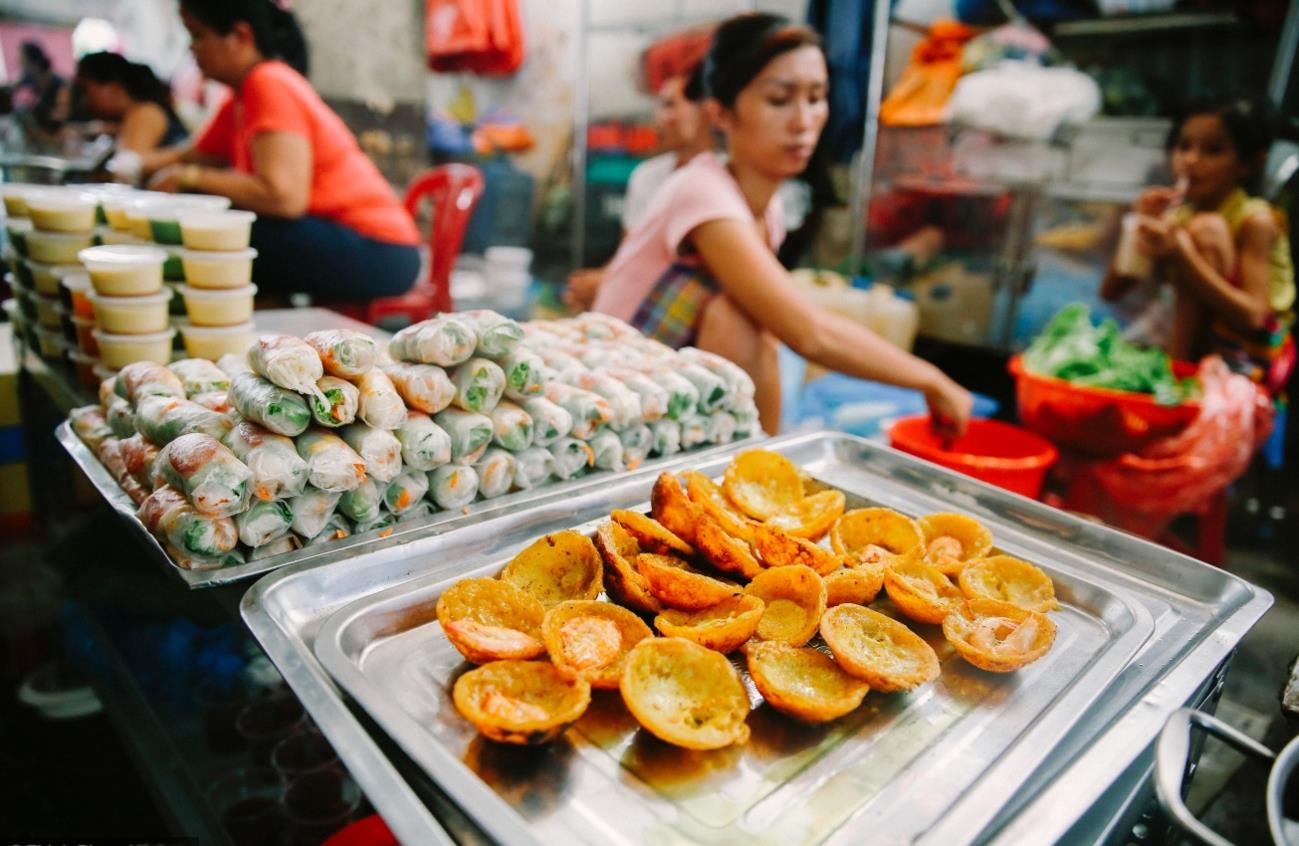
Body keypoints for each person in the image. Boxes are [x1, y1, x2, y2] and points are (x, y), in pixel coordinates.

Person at [592, 13, 972, 435]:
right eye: (779, 99)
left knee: (753, 320)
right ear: (720, 113)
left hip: (666, 401)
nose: (803, 121)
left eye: (816, 97)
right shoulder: (700, 191)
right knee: (741, 318)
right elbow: (808, 332)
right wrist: (929, 379)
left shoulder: (766, 210)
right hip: (612, 405)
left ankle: (760, 460)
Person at [142, 0, 421, 301]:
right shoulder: (239, 96)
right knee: (216, 227)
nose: (191, 50)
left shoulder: (269, 82)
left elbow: (284, 197)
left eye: (198, 36)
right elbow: (189, 156)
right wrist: (133, 163)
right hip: (345, 240)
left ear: (240, 36)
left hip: (381, 251)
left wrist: (191, 178)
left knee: (220, 235)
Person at [1102, 99, 1294, 391]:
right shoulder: (1179, 216)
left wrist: (1183, 254)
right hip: (1204, 347)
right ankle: (1175, 370)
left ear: (1248, 163)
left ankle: (1177, 375)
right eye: (1183, 147)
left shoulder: (1256, 221)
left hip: (1250, 355)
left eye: (1213, 150)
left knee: (1206, 229)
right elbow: (1112, 291)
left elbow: (1255, 317)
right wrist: (1138, 226)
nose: (1191, 160)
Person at [566, 66, 715, 311]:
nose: (658, 119)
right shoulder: (648, 176)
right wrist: (599, 280)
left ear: (707, 111)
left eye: (670, 105)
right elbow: (630, 253)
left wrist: (608, 282)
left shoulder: (718, 183)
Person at [76, 52, 190, 154]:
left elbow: (129, 168)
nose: (84, 101)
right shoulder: (137, 113)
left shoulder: (145, 114)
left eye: (85, 91)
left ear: (113, 88)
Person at [12, 42, 70, 138]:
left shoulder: (58, 83)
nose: (18, 61)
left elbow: (62, 114)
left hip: (57, 136)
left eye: (22, 57)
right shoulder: (29, 80)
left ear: (32, 60)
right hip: (40, 137)